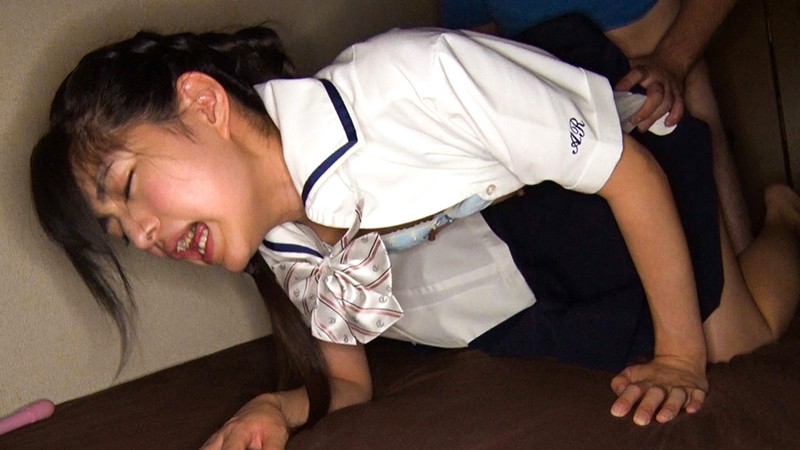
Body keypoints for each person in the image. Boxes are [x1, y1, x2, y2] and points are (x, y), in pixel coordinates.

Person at [29, 24, 800, 450]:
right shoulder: (281, 244)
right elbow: (352, 385)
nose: (144, 234)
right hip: (517, 246)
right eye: (122, 234)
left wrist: (679, 357)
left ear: (203, 103)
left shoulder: (412, 81)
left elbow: (627, 174)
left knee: (737, 341)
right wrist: (282, 408)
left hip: (602, 169)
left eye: (129, 187)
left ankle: (784, 217)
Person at [440, 0, 754, 255]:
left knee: (727, 291)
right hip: (559, 113)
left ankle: (780, 214)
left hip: (658, 78)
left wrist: (674, 59)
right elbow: (472, 41)